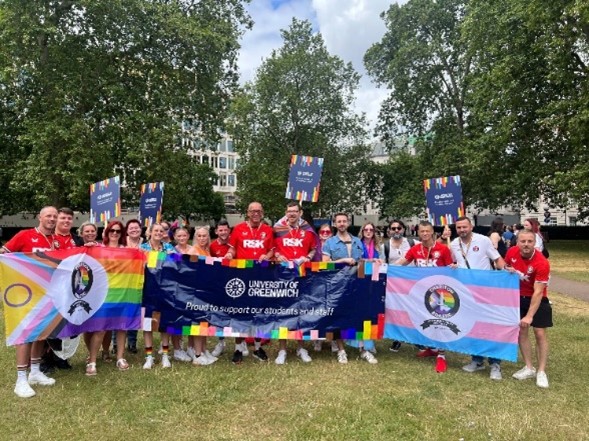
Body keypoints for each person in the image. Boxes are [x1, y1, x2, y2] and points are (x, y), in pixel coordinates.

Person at [1, 206, 59, 398]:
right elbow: (4, 252)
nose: (52, 219)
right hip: (24, 294)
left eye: (54, 216)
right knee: (24, 335)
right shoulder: (24, 235)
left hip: (47, 294)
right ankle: (20, 379)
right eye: (49, 215)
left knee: (40, 333)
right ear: (40, 217)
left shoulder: (55, 240)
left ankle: (35, 372)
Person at [450, 216, 506, 380]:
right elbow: (458, 263)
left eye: (464, 227)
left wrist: (506, 272)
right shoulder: (454, 244)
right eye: (459, 228)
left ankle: (495, 364)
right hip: (466, 293)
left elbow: (497, 259)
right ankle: (477, 360)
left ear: (471, 226)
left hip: (485, 291)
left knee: (489, 327)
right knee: (472, 326)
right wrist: (454, 266)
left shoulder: (483, 241)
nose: (462, 230)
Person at [395, 220, 453, 373]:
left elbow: (451, 269)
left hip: (440, 293)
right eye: (422, 231)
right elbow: (402, 262)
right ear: (418, 232)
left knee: (440, 322)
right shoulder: (415, 249)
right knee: (425, 320)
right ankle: (432, 348)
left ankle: (441, 355)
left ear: (433, 231)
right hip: (421, 292)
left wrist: (453, 266)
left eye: (428, 231)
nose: (425, 234)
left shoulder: (443, 249)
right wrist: (385, 266)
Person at [224, 202, 274, 364]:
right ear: (247, 212)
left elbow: (272, 250)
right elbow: (232, 249)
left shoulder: (267, 229)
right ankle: (238, 348)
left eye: (258, 211)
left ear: (262, 212)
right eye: (252, 211)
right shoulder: (238, 229)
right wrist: (230, 255)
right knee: (240, 313)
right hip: (241, 277)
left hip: (261, 276)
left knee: (260, 312)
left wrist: (267, 256)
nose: (255, 213)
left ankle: (258, 347)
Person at [505, 229, 552, 388]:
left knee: (539, 333)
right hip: (518, 298)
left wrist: (530, 316)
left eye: (529, 241)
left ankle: (541, 371)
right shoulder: (511, 252)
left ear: (535, 243)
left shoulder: (542, 262)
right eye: (522, 241)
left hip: (538, 299)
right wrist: (507, 270)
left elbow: (538, 292)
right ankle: (529, 367)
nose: (526, 244)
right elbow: (505, 268)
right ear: (517, 242)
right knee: (522, 331)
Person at [272, 202, 317, 365]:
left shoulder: (307, 231)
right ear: (286, 212)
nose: (291, 214)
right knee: (283, 312)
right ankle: (282, 349)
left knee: (301, 311)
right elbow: (272, 248)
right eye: (289, 211)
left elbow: (313, 249)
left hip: (302, 276)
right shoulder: (278, 229)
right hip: (283, 277)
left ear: (300, 213)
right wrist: (277, 255)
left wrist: (309, 257)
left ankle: (301, 347)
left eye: (295, 211)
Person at [321, 212, 364, 364]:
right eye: (338, 221)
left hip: (356, 284)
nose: (341, 224)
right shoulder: (330, 243)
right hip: (337, 285)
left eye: (344, 221)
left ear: (348, 223)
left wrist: (373, 260)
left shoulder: (357, 241)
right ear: (334, 224)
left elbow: (362, 261)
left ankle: (363, 349)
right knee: (338, 316)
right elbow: (325, 263)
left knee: (359, 315)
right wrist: (343, 260)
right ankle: (341, 350)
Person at [140, 223, 175, 369]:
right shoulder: (142, 249)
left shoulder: (169, 248)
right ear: (150, 232)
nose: (159, 233)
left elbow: (176, 267)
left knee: (164, 323)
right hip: (147, 290)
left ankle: (165, 355)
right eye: (156, 230)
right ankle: (149, 356)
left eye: (162, 231)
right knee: (147, 324)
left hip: (165, 290)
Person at [383, 220, 418, 352]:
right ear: (389, 231)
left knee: (413, 311)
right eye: (393, 228)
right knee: (397, 312)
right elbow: (383, 263)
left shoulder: (412, 243)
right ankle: (397, 339)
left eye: (399, 228)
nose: (396, 230)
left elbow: (428, 248)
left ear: (403, 229)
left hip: (412, 283)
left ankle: (415, 339)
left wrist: (443, 237)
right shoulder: (385, 246)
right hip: (395, 286)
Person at [186, 226, 218, 366]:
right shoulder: (193, 250)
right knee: (198, 323)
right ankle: (197, 354)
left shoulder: (206, 250)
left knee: (205, 322)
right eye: (199, 236)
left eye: (204, 236)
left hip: (206, 291)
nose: (202, 238)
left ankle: (204, 351)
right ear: (195, 237)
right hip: (196, 292)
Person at [79, 222, 106, 376]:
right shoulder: (76, 248)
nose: (89, 233)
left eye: (92, 231)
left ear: (96, 233)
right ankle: (92, 354)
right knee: (87, 327)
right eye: (86, 231)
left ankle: (93, 361)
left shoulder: (103, 248)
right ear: (81, 233)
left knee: (100, 327)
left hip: (101, 292)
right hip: (81, 293)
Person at [313, 223, 337, 353]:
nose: (325, 234)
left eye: (328, 232)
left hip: (334, 282)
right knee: (318, 311)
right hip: (317, 283)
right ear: (319, 233)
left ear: (332, 234)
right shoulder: (315, 247)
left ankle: (333, 338)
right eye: (323, 232)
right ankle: (318, 339)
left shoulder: (335, 245)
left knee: (332, 310)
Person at [208, 220, 232, 357]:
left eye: (225, 230)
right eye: (220, 230)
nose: (223, 232)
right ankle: (221, 342)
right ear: (216, 231)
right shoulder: (212, 246)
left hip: (235, 283)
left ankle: (240, 343)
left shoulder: (233, 244)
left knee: (237, 312)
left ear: (229, 230)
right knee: (220, 314)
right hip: (219, 285)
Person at [122, 219, 143, 354]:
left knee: (134, 311)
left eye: (136, 228)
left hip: (139, 281)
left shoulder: (145, 244)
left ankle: (132, 342)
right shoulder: (122, 243)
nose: (134, 230)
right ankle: (116, 344)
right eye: (131, 228)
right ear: (127, 230)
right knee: (121, 312)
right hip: (123, 281)